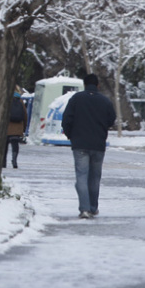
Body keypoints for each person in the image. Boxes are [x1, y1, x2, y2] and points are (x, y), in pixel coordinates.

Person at [61, 73, 116, 219]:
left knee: (82, 176)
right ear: (98, 85)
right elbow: (111, 119)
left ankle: (84, 209)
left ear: (84, 85)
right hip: (98, 144)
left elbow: (66, 119)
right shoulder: (105, 101)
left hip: (80, 144)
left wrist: (71, 135)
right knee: (95, 177)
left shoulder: (76, 99)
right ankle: (93, 207)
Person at [3, 86, 27, 169]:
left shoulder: (5, 100)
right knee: (15, 145)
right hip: (17, 128)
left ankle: (3, 162)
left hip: (6, 128)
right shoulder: (20, 101)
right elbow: (25, 115)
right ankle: (14, 160)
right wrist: (23, 129)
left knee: (4, 146)